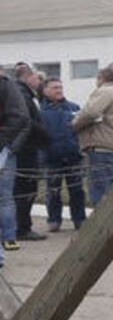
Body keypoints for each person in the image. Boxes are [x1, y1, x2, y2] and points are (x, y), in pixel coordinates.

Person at [72, 66, 113, 205]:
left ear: (101, 78)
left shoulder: (104, 92)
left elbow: (90, 113)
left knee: (100, 193)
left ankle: (102, 226)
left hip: (102, 147)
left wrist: (75, 124)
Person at [39, 78, 86, 232]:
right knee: (53, 191)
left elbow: (81, 131)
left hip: (73, 157)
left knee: (77, 190)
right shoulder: (40, 111)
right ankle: (54, 220)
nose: (59, 90)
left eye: (60, 87)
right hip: (51, 158)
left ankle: (79, 219)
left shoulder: (73, 107)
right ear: (45, 90)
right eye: (54, 88)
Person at [11, 64, 50, 241]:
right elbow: (27, 120)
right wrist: (44, 134)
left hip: (22, 146)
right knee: (26, 188)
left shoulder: (20, 93)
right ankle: (22, 227)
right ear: (27, 76)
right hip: (26, 148)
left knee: (22, 188)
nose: (39, 81)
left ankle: (20, 226)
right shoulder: (23, 95)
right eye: (35, 77)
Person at [0, 69, 32, 254]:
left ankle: (8, 238)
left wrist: (7, 145)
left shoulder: (5, 84)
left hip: (5, 149)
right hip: (7, 146)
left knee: (5, 197)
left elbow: (21, 119)